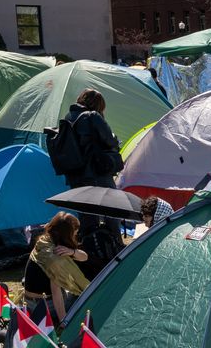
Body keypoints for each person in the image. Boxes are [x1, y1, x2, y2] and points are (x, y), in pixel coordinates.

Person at [61, 90, 125, 280]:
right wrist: (115, 140)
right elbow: (110, 140)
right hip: (97, 172)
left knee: (87, 213)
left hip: (76, 175)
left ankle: (93, 250)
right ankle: (115, 246)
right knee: (113, 206)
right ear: (98, 105)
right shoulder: (92, 116)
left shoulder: (69, 117)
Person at [24, 212, 90, 323]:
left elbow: (84, 257)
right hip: (43, 305)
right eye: (75, 232)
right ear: (67, 234)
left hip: (30, 301)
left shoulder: (45, 241)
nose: (76, 235)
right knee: (84, 297)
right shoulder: (54, 258)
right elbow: (56, 293)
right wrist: (64, 321)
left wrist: (72, 251)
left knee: (77, 291)